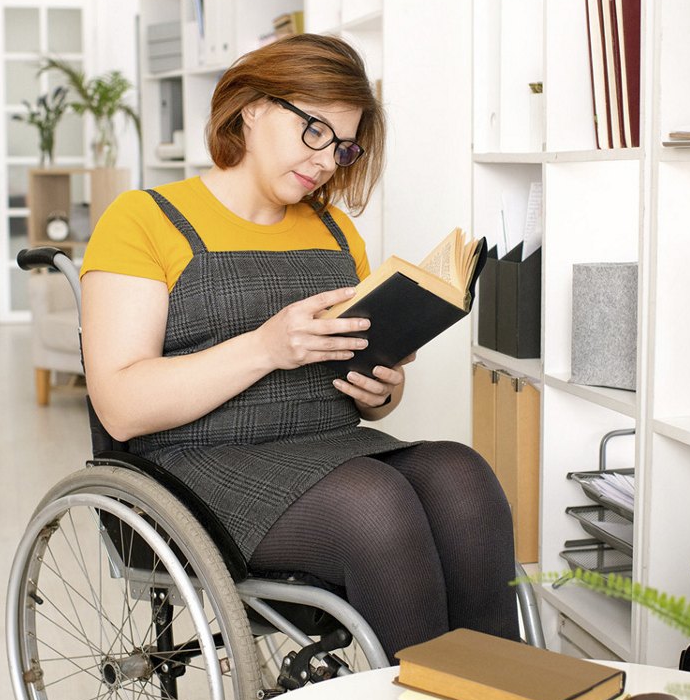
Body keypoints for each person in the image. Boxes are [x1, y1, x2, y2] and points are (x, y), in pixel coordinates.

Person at [80, 33, 518, 661]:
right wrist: (265, 347)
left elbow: (367, 400)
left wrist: (383, 388)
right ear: (252, 107)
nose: (326, 160)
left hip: (333, 448)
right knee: (375, 504)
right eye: (314, 131)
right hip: (195, 463)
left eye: (342, 145)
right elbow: (121, 404)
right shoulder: (143, 219)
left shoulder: (337, 230)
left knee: (462, 476)